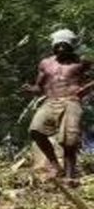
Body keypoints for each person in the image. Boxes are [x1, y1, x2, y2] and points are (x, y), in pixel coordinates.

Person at [25, 29, 92, 181]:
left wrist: (86, 89)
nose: (61, 49)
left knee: (69, 140)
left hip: (71, 101)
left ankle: (69, 176)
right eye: (58, 45)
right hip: (50, 101)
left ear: (71, 46)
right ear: (53, 46)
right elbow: (39, 87)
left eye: (64, 45)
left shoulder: (81, 62)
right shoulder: (45, 63)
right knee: (35, 130)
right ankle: (56, 166)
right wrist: (31, 89)